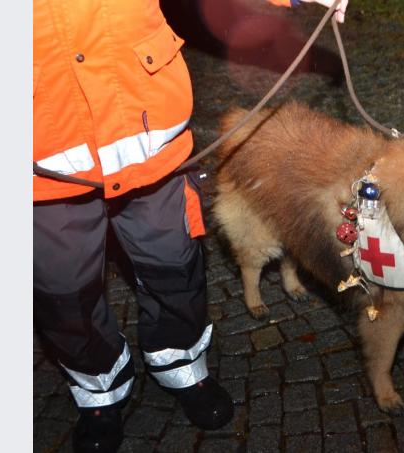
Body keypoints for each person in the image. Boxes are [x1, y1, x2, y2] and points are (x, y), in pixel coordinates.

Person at [33, 0, 347, 451]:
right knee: (63, 291)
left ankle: (180, 362)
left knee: (173, 263)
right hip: (45, 154)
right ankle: (99, 386)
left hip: (147, 131)